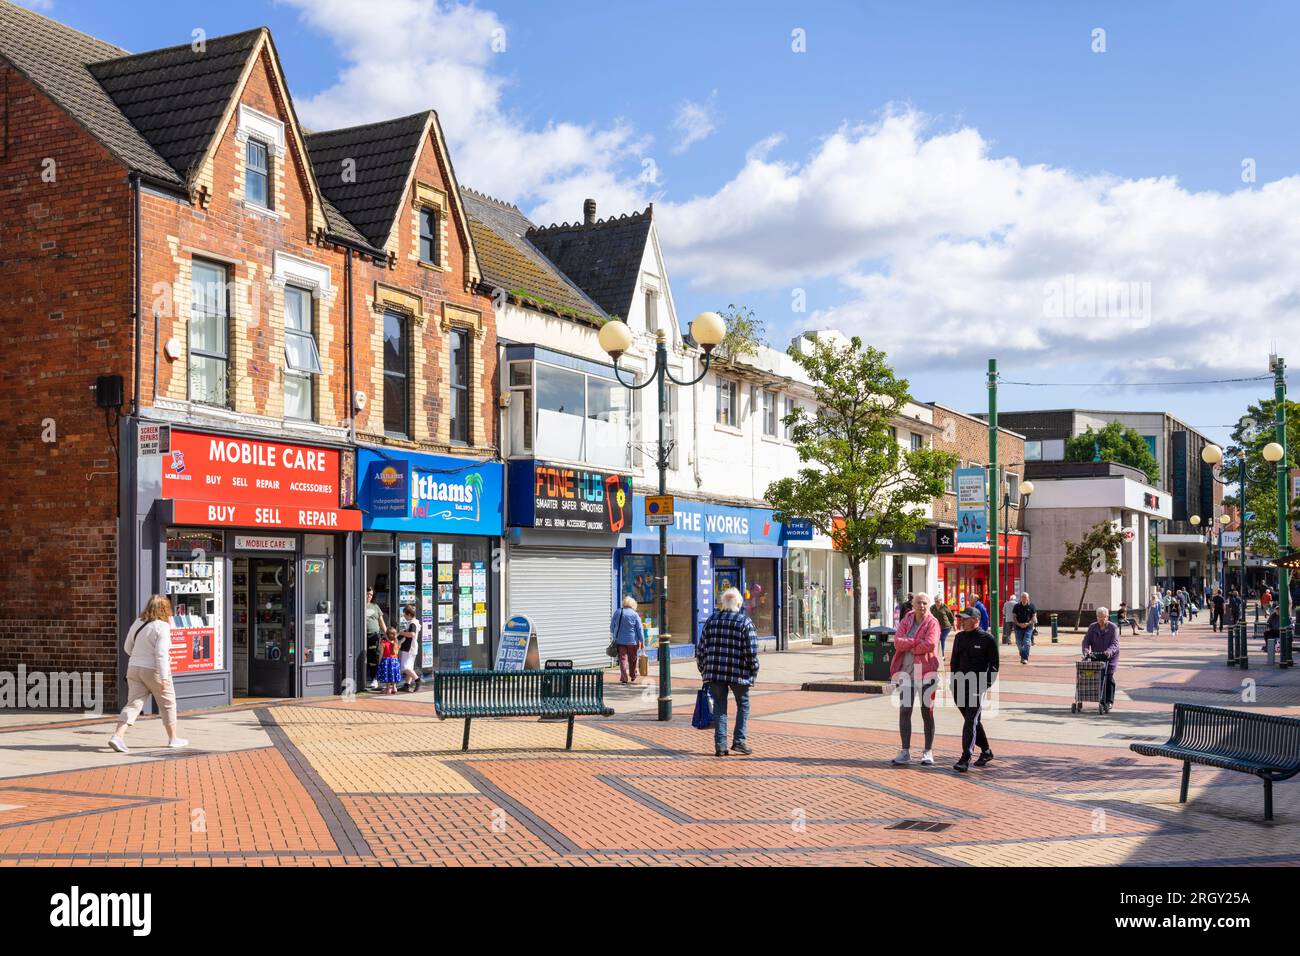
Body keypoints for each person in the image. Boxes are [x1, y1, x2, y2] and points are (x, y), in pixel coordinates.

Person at [109, 595, 188, 753]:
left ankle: (117, 736)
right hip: (154, 670)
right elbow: (161, 654)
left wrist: (138, 658)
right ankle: (173, 738)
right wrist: (164, 677)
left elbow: (127, 647)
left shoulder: (138, 622)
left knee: (133, 704)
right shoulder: (163, 627)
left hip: (134, 668)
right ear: (166, 609)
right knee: (168, 704)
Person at [696, 587, 759, 757]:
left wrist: (703, 670)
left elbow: (701, 650)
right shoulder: (745, 623)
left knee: (719, 707)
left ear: (723, 604)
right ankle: (739, 741)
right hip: (739, 674)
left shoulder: (711, 621)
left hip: (715, 673)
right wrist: (753, 672)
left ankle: (720, 745)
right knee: (743, 705)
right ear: (739, 604)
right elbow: (751, 652)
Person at [890, 593, 941, 767]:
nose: (922, 606)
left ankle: (928, 751)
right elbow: (897, 642)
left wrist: (910, 644)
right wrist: (916, 642)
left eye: (925, 603)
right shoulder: (906, 620)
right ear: (912, 604)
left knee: (927, 712)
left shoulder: (932, 622)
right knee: (905, 711)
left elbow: (931, 644)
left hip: (926, 672)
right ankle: (905, 751)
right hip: (906, 673)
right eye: (918, 603)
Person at [949, 607, 999, 772]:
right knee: (972, 721)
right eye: (961, 619)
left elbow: (994, 666)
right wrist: (953, 681)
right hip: (959, 685)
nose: (961, 621)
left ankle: (965, 758)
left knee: (970, 720)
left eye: (965, 619)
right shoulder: (959, 637)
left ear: (976, 620)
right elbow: (954, 662)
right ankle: (986, 751)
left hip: (977, 686)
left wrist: (985, 685)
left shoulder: (988, 639)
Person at [1082, 606, 1120, 710]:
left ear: (1107, 617)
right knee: (1097, 677)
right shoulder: (1092, 627)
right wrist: (1086, 651)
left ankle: (1109, 701)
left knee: (1108, 677)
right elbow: (1086, 641)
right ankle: (1101, 700)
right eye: (1099, 617)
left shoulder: (1113, 628)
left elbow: (1115, 644)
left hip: (1110, 657)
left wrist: (1108, 652)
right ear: (1096, 617)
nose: (1101, 619)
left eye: (1104, 617)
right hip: (1097, 655)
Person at [610, 595, 646, 684]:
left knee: (622, 659)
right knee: (633, 659)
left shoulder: (618, 612)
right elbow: (639, 629)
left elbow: (612, 627)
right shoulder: (635, 614)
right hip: (633, 641)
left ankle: (624, 678)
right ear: (633, 605)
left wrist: (615, 634)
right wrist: (642, 641)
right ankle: (633, 675)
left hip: (620, 641)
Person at [364, 587, 387, 691]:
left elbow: (381, 621)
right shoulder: (359, 605)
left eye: (371, 595)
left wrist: (387, 634)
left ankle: (374, 679)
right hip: (362, 636)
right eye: (368, 594)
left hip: (374, 635)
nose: (369, 596)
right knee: (364, 657)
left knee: (373, 658)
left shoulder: (375, 607)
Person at [398, 605, 422, 692]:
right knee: (410, 667)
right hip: (412, 648)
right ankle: (406, 685)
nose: (404, 616)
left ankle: (417, 680)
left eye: (404, 614)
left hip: (409, 648)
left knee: (405, 667)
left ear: (408, 614)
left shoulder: (412, 623)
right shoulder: (415, 622)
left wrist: (402, 633)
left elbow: (412, 634)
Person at [1012, 591, 1036, 664]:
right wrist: (1019, 624)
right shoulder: (1016, 606)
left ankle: (1025, 658)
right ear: (1021, 598)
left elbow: (1034, 617)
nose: (1024, 598)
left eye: (1025, 597)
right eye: (1023, 597)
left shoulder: (1031, 606)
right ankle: (1023, 655)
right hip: (1018, 627)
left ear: (1028, 598)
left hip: (1028, 627)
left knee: (1026, 642)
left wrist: (1028, 623)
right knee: (1019, 643)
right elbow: (1014, 617)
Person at [378, 627, 402, 695]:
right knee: (393, 674)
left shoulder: (383, 643)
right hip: (395, 661)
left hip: (386, 661)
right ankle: (394, 688)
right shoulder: (397, 643)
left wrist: (379, 662)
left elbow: (381, 654)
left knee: (388, 675)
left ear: (386, 635)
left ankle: (388, 689)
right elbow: (396, 653)